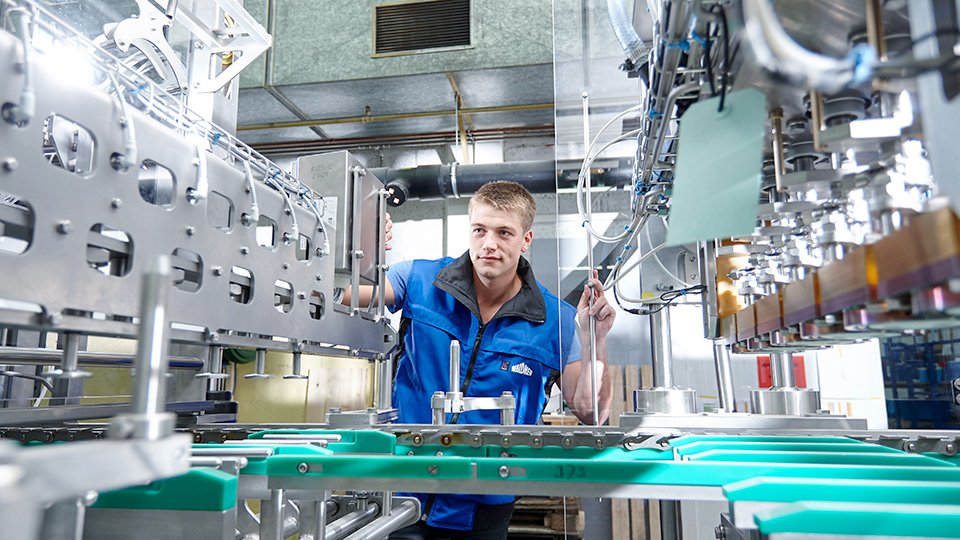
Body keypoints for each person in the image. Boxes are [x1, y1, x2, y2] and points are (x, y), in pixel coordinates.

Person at [346, 181, 614, 539]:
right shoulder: (419, 280)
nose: (489, 244)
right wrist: (358, 251)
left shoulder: (558, 321)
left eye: (504, 232)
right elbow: (341, 295)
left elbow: (591, 410)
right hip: (399, 493)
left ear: (526, 239)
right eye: (480, 230)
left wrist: (595, 340)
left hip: (483, 511)